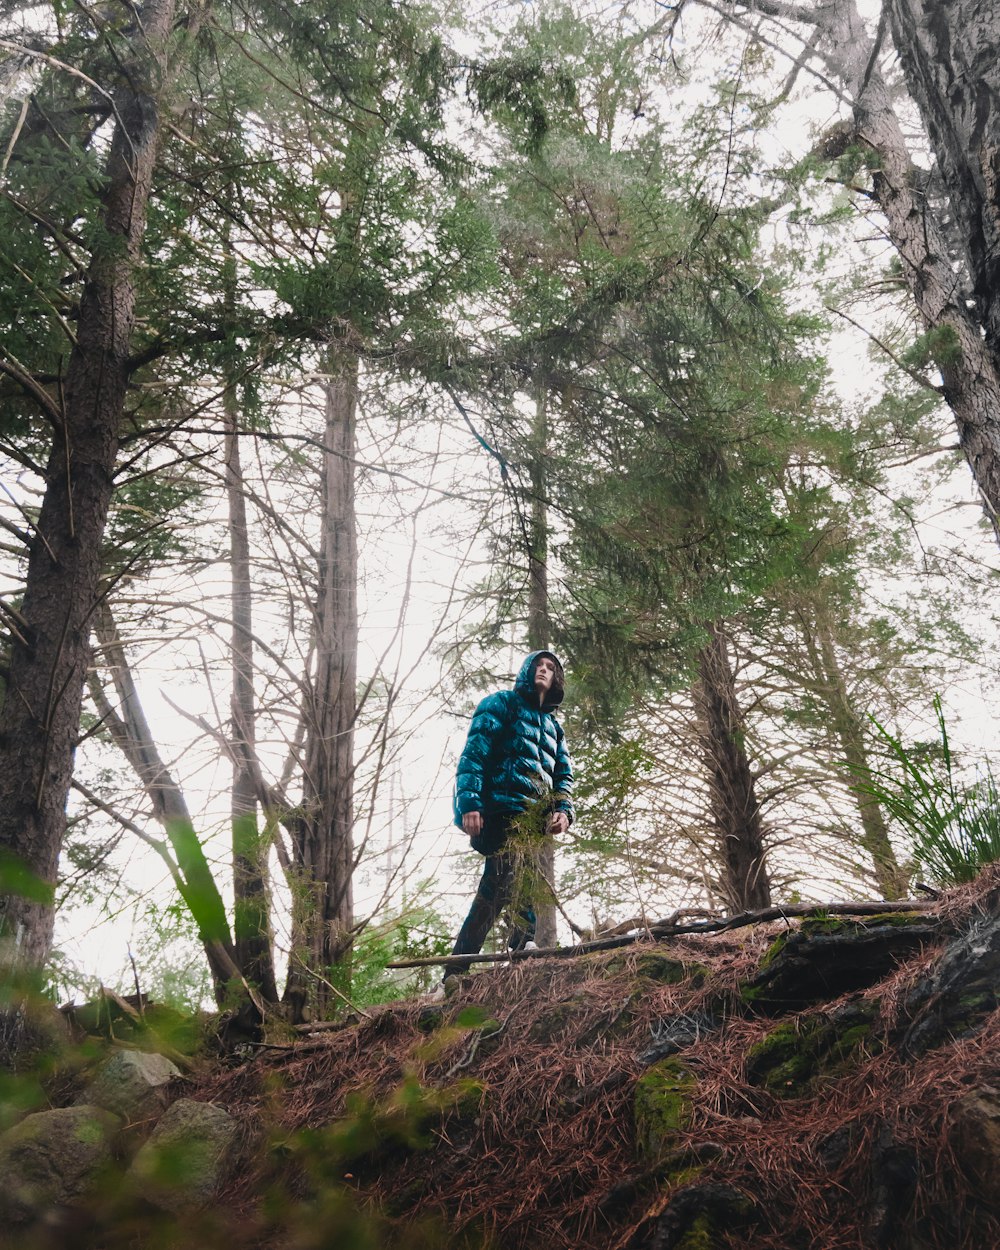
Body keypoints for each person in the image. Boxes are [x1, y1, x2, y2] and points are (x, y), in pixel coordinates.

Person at [443, 650, 573, 983]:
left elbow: (563, 777)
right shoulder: (501, 703)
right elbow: (474, 753)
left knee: (496, 887)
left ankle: (457, 969)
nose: (544, 671)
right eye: (539, 666)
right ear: (528, 671)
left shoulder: (555, 730)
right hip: (498, 811)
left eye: (551, 668)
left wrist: (564, 811)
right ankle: (521, 944)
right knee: (515, 874)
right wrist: (469, 804)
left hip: (532, 822)